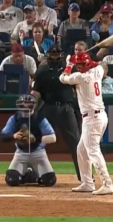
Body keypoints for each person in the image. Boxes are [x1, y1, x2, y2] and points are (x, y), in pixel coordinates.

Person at [60, 51, 113, 195]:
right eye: (78, 65)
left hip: (93, 119)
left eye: (81, 65)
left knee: (93, 150)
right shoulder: (98, 70)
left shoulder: (80, 77)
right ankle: (87, 183)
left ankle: (107, 183)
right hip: (98, 116)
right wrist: (80, 60)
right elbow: (98, 64)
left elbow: (63, 78)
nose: (79, 67)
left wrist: (69, 64)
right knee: (81, 150)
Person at [31, 45, 82, 183]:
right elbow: (35, 93)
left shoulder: (70, 68)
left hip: (66, 108)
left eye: (57, 53)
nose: (54, 56)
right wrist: (31, 110)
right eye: (52, 53)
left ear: (61, 55)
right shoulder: (42, 70)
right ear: (48, 55)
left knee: (76, 143)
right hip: (48, 107)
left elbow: (79, 88)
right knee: (35, 139)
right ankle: (31, 172)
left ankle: (84, 176)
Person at [1, 94, 57, 187]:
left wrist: (36, 139)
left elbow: (53, 138)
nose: (25, 107)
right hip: (21, 153)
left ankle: (34, 174)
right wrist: (13, 136)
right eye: (23, 104)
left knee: (49, 180)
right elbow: (3, 136)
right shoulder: (14, 119)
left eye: (28, 104)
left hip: (38, 153)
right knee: (12, 180)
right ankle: (24, 174)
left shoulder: (40, 118)